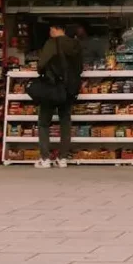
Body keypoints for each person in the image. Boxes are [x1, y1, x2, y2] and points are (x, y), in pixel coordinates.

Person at [35, 22, 83, 169]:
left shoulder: (52, 43)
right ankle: (62, 158)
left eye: (51, 29)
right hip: (68, 89)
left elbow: (41, 65)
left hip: (51, 87)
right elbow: (79, 67)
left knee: (43, 123)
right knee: (65, 123)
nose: (50, 31)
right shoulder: (75, 44)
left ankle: (45, 158)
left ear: (57, 29)